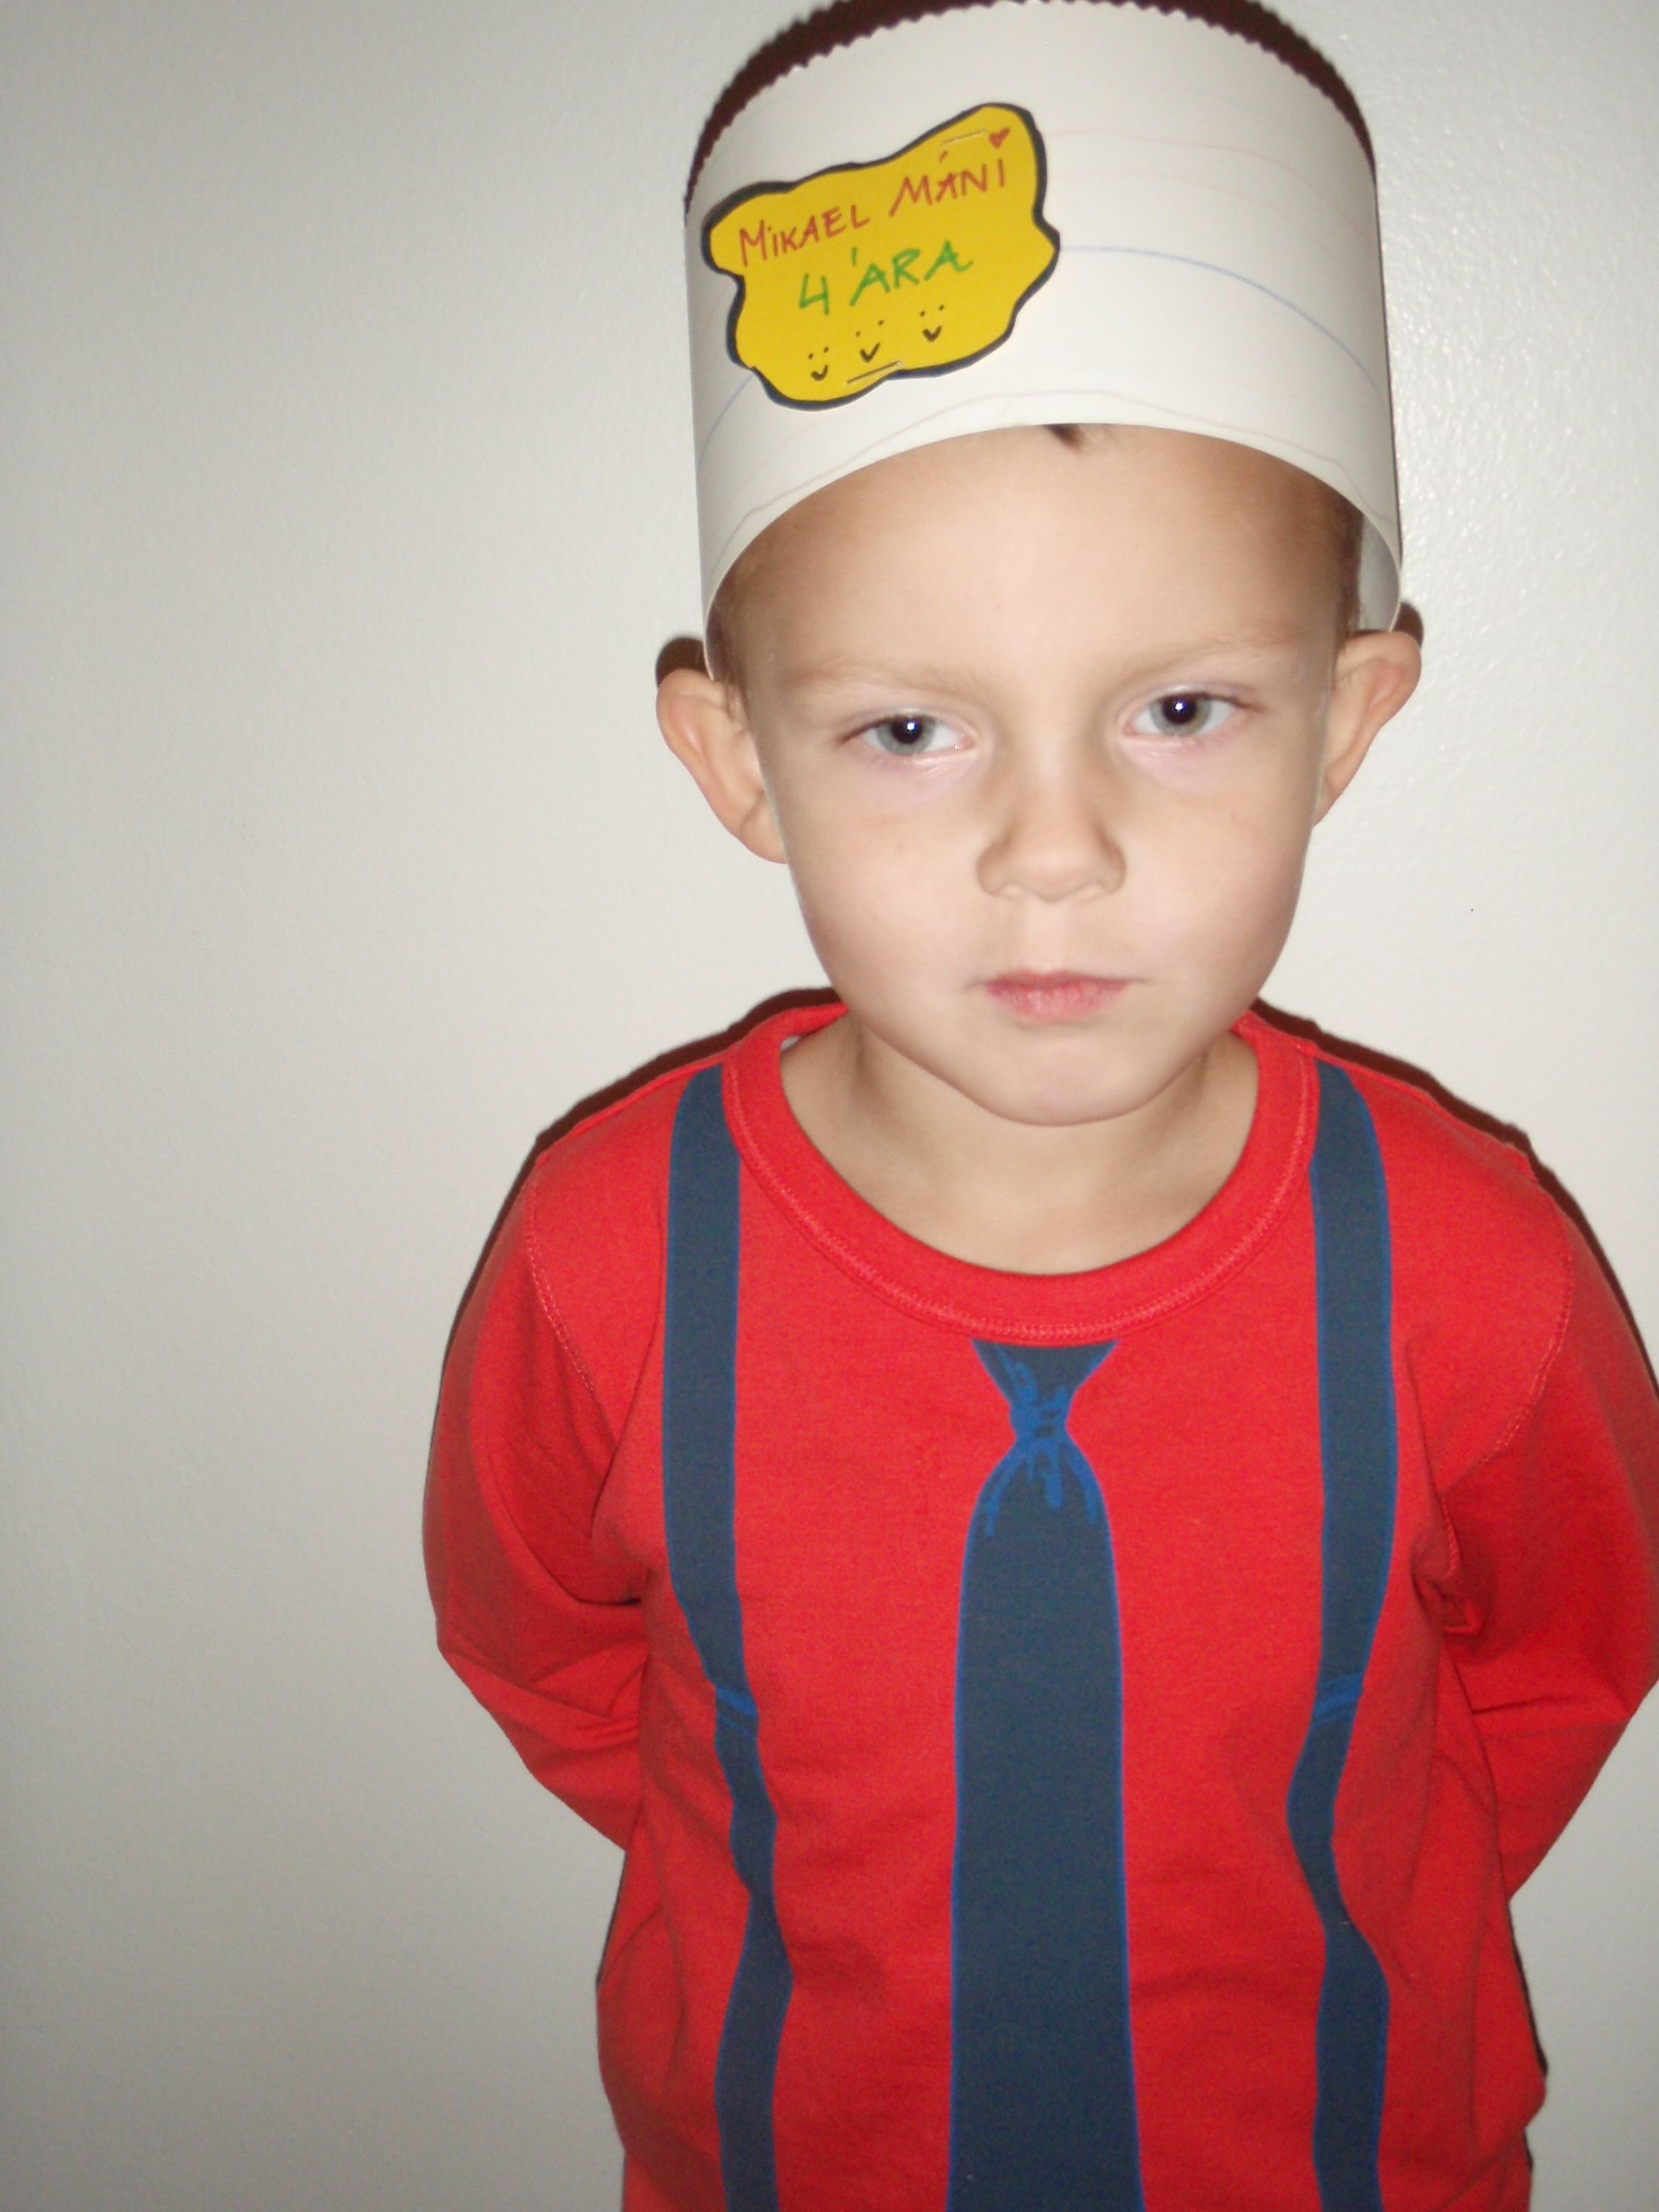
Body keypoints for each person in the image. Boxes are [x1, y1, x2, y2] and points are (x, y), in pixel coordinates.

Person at [424, 4, 1659, 2207]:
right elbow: (549, 1656)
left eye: (1180, 710)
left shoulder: (1472, 1277)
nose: (1055, 852)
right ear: (736, 762)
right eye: (912, 731)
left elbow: (1568, 1661)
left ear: (1348, 718)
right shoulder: (609, 1260)